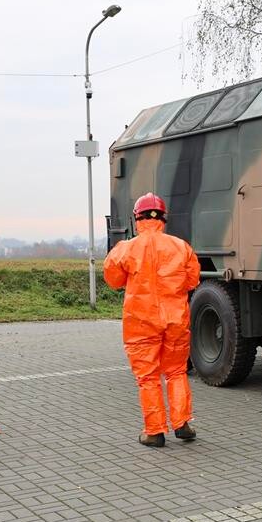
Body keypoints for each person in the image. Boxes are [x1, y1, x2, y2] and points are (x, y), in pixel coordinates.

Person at [104, 192, 201, 448]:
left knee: (148, 377)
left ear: (137, 219)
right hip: (175, 319)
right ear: (163, 218)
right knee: (176, 372)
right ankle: (182, 424)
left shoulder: (126, 249)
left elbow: (113, 281)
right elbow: (192, 280)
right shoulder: (181, 247)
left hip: (141, 321)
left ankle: (154, 432)